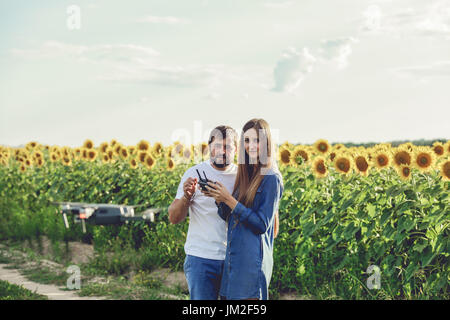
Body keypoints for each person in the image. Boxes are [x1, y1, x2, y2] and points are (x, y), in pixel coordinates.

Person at [202, 118, 283, 300]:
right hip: (233, 262)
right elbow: (230, 217)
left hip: (251, 266)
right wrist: (218, 198)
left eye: (257, 140)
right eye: (247, 140)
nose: (251, 146)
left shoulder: (271, 178)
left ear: (267, 142)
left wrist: (230, 200)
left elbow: (262, 224)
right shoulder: (246, 174)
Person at [168, 125, 238, 300]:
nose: (222, 151)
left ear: (236, 150)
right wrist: (186, 197)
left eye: (228, 147)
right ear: (209, 148)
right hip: (201, 258)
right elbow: (174, 218)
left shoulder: (241, 177)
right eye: (217, 146)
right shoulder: (193, 174)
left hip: (234, 260)